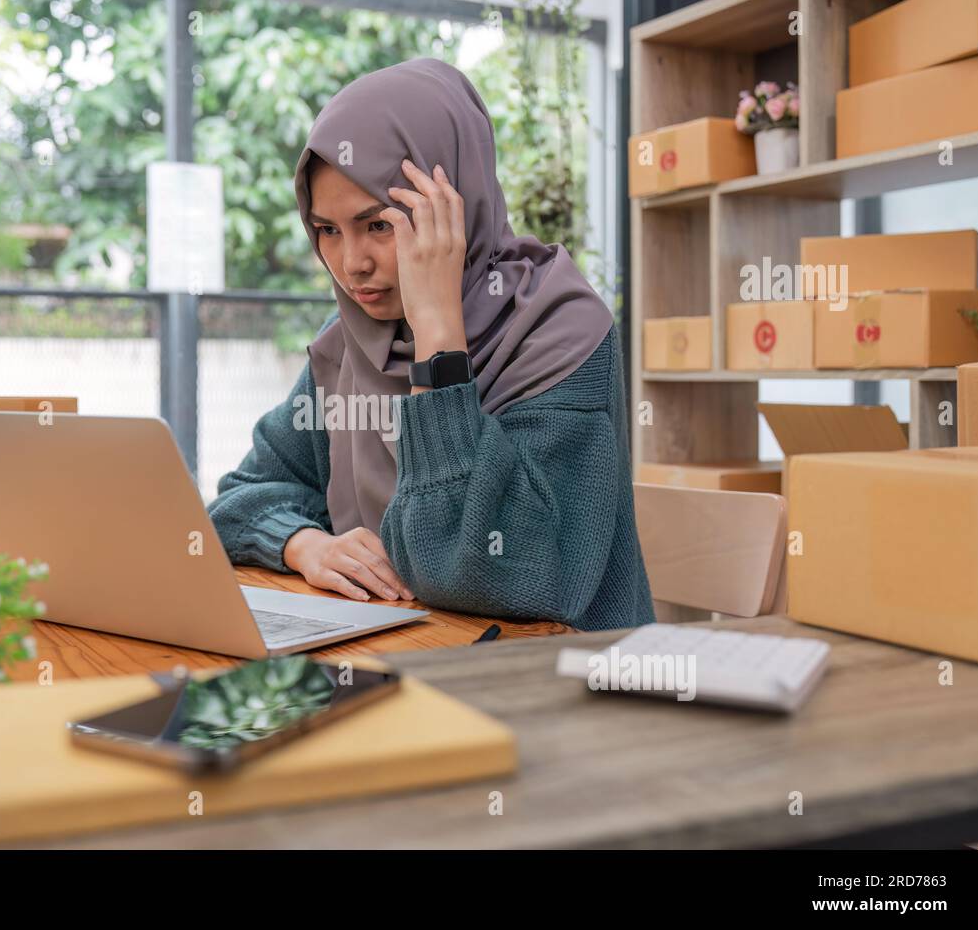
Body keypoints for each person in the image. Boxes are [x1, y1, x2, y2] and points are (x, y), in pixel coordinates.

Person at [207, 58, 655, 631]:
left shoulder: (559, 333)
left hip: (557, 671)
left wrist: (439, 337)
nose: (351, 264)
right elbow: (239, 497)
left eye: (378, 225)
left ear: (453, 208)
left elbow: (493, 573)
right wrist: (304, 544)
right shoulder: (352, 344)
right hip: (403, 657)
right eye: (327, 231)